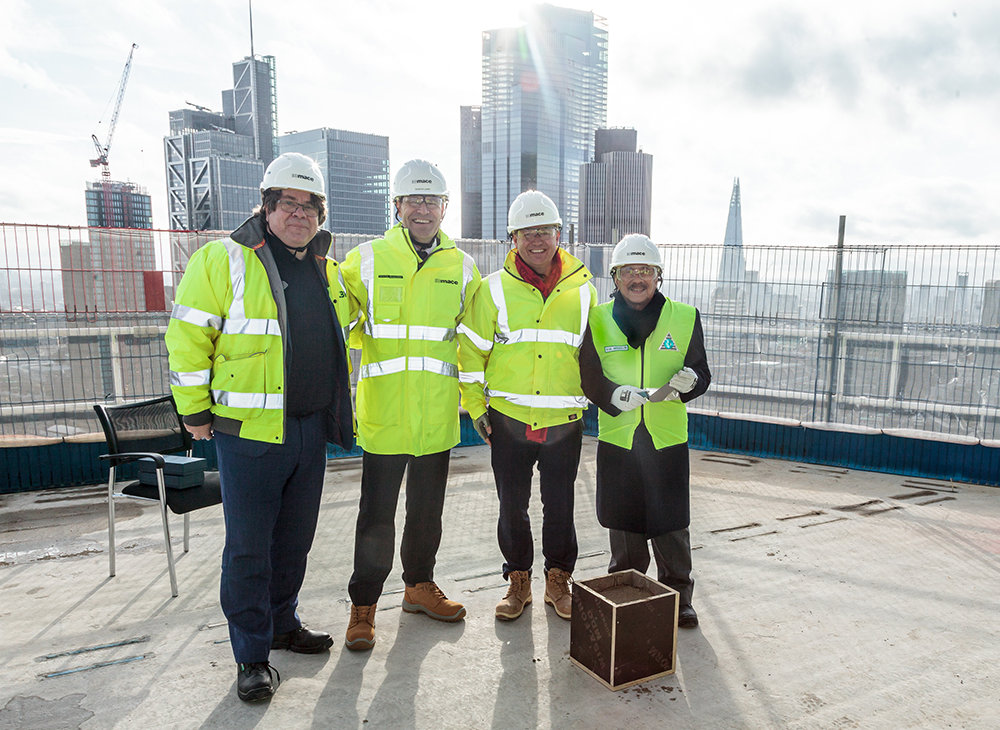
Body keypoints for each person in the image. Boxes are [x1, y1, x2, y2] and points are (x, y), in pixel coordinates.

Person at [165, 152, 353, 701]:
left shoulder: (326, 268)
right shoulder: (221, 260)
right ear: (266, 206)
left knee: (294, 540)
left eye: (309, 205)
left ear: (320, 214)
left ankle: (282, 624)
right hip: (248, 433)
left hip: (309, 429)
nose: (299, 213)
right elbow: (188, 338)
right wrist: (195, 410)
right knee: (249, 547)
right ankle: (250, 655)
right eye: (287, 203)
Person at [340, 159, 481, 651]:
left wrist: (479, 403)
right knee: (375, 516)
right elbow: (332, 316)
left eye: (432, 201)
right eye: (414, 200)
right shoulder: (365, 259)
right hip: (384, 417)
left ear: (444, 209)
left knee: (427, 512)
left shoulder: (462, 267)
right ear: (397, 206)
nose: (423, 210)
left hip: (436, 418)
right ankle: (364, 606)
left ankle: (419, 586)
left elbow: (478, 339)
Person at [458, 190, 597, 622]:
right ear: (511, 238)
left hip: (562, 422)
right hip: (510, 419)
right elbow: (470, 351)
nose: (536, 239)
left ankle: (558, 579)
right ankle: (518, 580)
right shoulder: (492, 289)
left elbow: (595, 356)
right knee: (511, 505)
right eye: (526, 232)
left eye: (545, 231)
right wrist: (476, 407)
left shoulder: (584, 292)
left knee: (560, 505)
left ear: (560, 234)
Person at [579, 233, 710, 628]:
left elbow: (702, 373)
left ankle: (678, 597)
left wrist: (692, 382)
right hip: (619, 436)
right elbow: (587, 376)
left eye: (646, 271)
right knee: (623, 522)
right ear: (616, 277)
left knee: (670, 523)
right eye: (630, 271)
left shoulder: (685, 317)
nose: (638, 278)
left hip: (665, 437)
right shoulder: (596, 319)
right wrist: (613, 395)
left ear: (659, 276)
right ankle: (626, 592)